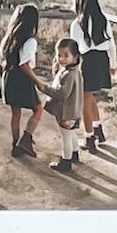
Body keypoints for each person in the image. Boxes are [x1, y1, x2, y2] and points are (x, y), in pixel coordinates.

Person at [69, 0, 116, 151]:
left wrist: (69, 68)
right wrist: (113, 64)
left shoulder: (77, 24)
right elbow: (112, 44)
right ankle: (98, 129)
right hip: (102, 60)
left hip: (87, 61)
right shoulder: (103, 19)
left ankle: (89, 138)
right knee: (89, 97)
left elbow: (74, 50)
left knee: (84, 100)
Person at [0, 2, 43, 158]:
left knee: (16, 113)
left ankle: (15, 145)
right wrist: (38, 82)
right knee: (38, 109)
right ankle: (26, 139)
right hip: (23, 79)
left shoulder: (8, 39)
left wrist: (3, 77)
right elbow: (24, 65)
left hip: (9, 76)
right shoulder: (30, 42)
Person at [45, 35, 84, 172]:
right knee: (71, 133)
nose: (61, 59)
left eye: (66, 55)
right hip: (74, 111)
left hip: (67, 113)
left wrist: (46, 89)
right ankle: (74, 154)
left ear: (75, 56)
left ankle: (66, 162)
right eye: (59, 55)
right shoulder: (75, 71)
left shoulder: (69, 74)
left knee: (66, 136)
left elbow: (62, 94)